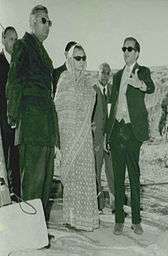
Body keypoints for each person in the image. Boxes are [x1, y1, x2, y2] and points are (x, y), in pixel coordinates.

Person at [6, 5, 59, 219]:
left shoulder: (41, 50)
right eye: (44, 21)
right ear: (33, 22)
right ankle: (30, 230)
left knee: (45, 183)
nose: (48, 26)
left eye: (50, 22)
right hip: (31, 124)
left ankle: (39, 229)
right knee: (33, 183)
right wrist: (13, 115)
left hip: (45, 128)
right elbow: (14, 82)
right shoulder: (23, 45)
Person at [106, 36, 155, 235]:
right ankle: (119, 220)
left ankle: (136, 220)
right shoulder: (117, 76)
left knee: (134, 177)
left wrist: (140, 84)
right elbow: (112, 105)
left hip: (133, 132)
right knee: (118, 178)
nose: (126, 52)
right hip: (117, 131)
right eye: (124, 48)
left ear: (137, 52)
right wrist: (106, 134)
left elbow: (150, 87)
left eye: (130, 48)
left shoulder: (143, 72)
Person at [54, 44, 99, 231]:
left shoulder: (88, 82)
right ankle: (71, 218)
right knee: (71, 177)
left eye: (83, 57)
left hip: (84, 137)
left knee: (85, 176)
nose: (81, 61)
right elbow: (58, 107)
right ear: (70, 59)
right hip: (68, 136)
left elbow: (91, 104)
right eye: (77, 58)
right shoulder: (64, 79)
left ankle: (85, 219)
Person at [91, 62, 115, 213]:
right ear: (97, 74)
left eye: (108, 72)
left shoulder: (112, 91)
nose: (105, 75)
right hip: (97, 139)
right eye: (103, 72)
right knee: (96, 172)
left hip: (111, 139)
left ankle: (115, 205)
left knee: (112, 172)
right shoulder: (92, 91)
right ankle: (97, 205)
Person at [0, 26, 20, 199]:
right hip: (2, 120)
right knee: (3, 159)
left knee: (16, 157)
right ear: (3, 39)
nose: (14, 42)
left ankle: (16, 194)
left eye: (16, 39)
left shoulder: (19, 63)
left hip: (17, 120)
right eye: (11, 39)